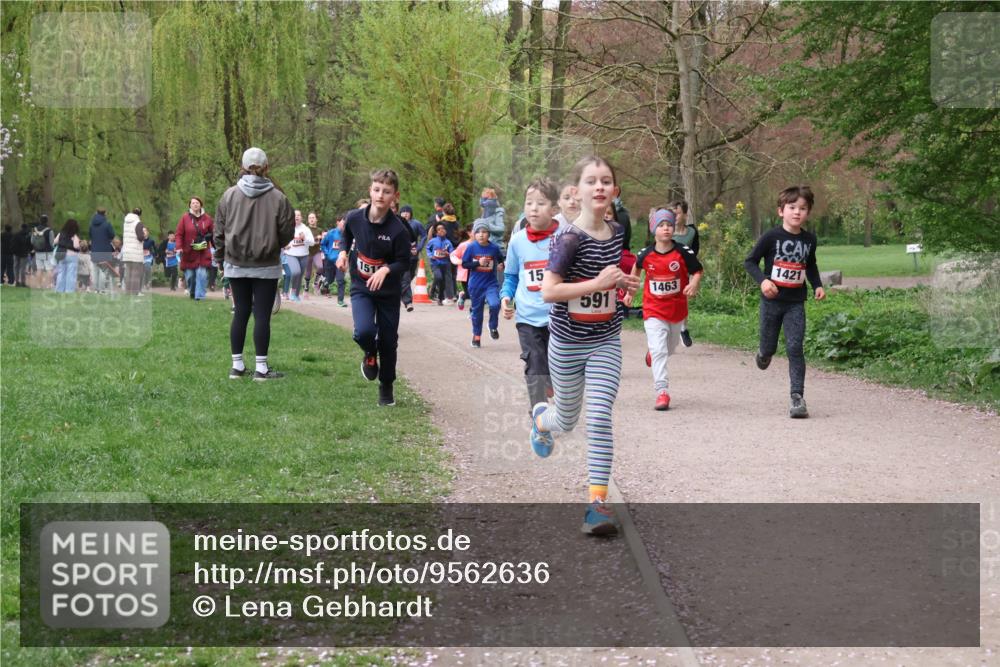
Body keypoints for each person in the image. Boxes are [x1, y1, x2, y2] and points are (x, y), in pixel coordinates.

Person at [530, 156, 639, 537]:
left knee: (599, 416)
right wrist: (597, 285)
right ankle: (541, 420)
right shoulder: (568, 239)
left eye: (606, 181)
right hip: (566, 343)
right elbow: (549, 292)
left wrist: (620, 283)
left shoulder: (617, 230)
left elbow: (608, 276)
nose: (599, 187)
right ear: (577, 191)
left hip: (605, 340)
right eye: (591, 181)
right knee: (566, 420)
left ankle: (597, 505)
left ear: (615, 191)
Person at [743, 185, 825, 419]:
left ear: (808, 212)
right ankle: (764, 352)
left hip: (795, 303)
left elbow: (810, 264)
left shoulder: (810, 239)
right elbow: (750, 261)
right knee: (769, 346)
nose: (797, 212)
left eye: (803, 208)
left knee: (795, 347)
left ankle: (797, 397)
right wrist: (763, 281)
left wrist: (817, 285)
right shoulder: (771, 237)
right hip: (771, 302)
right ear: (781, 211)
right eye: (792, 207)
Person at [214, 146, 295, 381]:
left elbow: (219, 232)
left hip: (235, 263)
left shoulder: (229, 196)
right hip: (267, 265)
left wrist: (220, 259)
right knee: (262, 315)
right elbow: (287, 232)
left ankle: (237, 367)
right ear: (266, 167)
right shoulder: (279, 198)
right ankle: (261, 369)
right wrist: (273, 244)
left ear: (242, 167)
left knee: (240, 312)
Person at [335, 168, 412, 406]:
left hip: (388, 292)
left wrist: (385, 270)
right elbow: (346, 234)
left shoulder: (399, 230)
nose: (380, 195)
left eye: (386, 191)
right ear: (370, 191)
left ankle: (386, 387)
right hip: (362, 287)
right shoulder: (354, 217)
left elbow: (404, 262)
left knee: (388, 341)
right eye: (377, 190)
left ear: (395, 196)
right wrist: (342, 253)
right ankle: (370, 353)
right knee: (364, 332)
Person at [632, 209, 703, 411]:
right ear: (653, 229)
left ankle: (653, 354)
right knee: (659, 350)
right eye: (661, 225)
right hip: (653, 309)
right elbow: (636, 269)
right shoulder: (645, 254)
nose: (666, 229)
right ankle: (662, 391)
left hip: (676, 310)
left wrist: (693, 283)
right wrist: (630, 292)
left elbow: (697, 270)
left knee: (669, 348)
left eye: (669, 225)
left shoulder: (683, 252)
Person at [501, 177, 562, 413]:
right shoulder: (517, 241)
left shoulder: (565, 237)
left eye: (541, 203)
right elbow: (510, 276)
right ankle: (538, 413)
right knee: (534, 363)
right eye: (529, 203)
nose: (533, 208)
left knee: (558, 366)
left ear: (554, 209)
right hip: (528, 316)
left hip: (559, 316)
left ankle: (552, 386)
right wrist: (507, 297)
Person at [462, 220, 503, 348]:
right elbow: (464, 264)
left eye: (484, 232)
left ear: (489, 234)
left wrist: (501, 264)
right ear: (474, 234)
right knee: (477, 312)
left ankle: (492, 326)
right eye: (478, 232)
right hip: (476, 285)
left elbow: (500, 258)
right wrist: (478, 263)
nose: (481, 234)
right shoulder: (471, 247)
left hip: (491, 283)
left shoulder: (494, 248)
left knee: (495, 304)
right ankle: (476, 336)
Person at [669, 199, 698, 346]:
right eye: (672, 213)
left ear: (685, 215)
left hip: (684, 273)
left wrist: (693, 278)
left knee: (683, 301)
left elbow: (694, 255)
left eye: (678, 213)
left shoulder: (692, 232)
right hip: (666, 273)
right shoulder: (666, 232)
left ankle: (683, 329)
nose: (674, 216)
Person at [175, 196, 214, 300]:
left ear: (201, 205)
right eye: (193, 203)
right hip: (188, 252)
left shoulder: (208, 218)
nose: (195, 204)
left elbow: (213, 234)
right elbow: (179, 234)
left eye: (197, 203)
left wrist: (217, 249)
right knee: (190, 276)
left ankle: (200, 296)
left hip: (203, 252)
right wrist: (179, 247)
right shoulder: (184, 218)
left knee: (201, 274)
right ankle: (193, 292)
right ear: (190, 205)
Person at [399, 204, 424, 312]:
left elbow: (424, 236)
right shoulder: (397, 223)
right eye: (403, 212)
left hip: (413, 256)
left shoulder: (416, 224)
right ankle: (408, 302)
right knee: (406, 278)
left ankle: (400, 293)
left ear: (411, 213)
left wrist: (418, 248)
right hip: (401, 256)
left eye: (407, 212)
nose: (405, 214)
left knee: (410, 276)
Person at [284, 210, 314, 302]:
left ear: (301, 217)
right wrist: (284, 245)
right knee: (296, 272)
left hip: (304, 255)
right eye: (294, 215)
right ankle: (292, 292)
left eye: (298, 215)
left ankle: (296, 295)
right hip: (291, 255)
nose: (296, 217)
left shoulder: (306, 229)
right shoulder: (288, 227)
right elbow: (281, 239)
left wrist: (304, 238)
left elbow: (312, 243)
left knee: (300, 275)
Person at [89, 207, 116, 293]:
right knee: (103, 271)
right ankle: (102, 289)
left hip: (94, 249)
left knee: (95, 270)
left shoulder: (92, 225)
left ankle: (96, 289)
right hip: (105, 250)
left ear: (96, 213)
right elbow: (112, 235)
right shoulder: (107, 224)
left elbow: (90, 235)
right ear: (105, 213)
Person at [426, 223, 455, 305]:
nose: (441, 230)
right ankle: (432, 290)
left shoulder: (448, 242)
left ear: (446, 231)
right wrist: (431, 255)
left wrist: (448, 254)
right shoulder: (432, 241)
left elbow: (452, 253)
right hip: (435, 263)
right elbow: (428, 249)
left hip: (445, 264)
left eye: (443, 228)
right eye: (439, 229)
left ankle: (440, 298)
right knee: (438, 277)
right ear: (436, 232)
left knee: (443, 281)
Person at [121, 211, 147, 296]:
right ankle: (136, 292)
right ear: (139, 215)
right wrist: (145, 235)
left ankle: (128, 291)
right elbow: (140, 237)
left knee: (128, 272)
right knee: (136, 272)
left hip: (127, 251)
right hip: (135, 251)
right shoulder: (138, 223)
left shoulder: (126, 223)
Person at [478, 188, 507, 263]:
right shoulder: (484, 214)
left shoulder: (498, 212)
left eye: (487, 198)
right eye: (483, 198)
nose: (484, 202)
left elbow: (501, 229)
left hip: (497, 249)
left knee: (497, 270)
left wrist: (486, 225)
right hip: (485, 250)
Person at [53, 219, 81, 293]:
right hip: (72, 256)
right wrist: (79, 246)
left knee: (61, 273)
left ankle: (59, 290)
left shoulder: (61, 233)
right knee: (71, 274)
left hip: (61, 254)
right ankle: (69, 290)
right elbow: (76, 246)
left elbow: (55, 241)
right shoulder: (74, 235)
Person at [30, 215, 55, 288]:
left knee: (39, 269)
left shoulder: (35, 229)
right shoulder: (49, 230)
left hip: (38, 252)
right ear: (47, 221)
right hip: (48, 252)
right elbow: (52, 243)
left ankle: (38, 285)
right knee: (49, 269)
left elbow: (32, 241)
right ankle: (49, 285)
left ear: (40, 220)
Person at [450, 229, 472, 310]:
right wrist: (460, 261)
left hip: (477, 272)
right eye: (476, 231)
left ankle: (474, 308)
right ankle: (463, 296)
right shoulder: (463, 245)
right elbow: (453, 255)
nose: (480, 234)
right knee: (470, 293)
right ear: (469, 233)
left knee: (476, 291)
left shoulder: (482, 245)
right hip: (465, 272)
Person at [304, 211, 322, 294]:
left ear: (316, 219)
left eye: (313, 218)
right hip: (307, 252)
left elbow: (322, 241)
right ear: (308, 220)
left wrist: (322, 238)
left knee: (320, 267)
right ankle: (306, 287)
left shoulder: (319, 230)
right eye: (310, 218)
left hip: (316, 252)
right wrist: (316, 238)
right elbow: (305, 240)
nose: (311, 219)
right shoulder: (305, 229)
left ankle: (315, 283)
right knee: (308, 271)